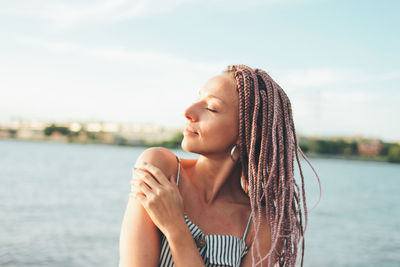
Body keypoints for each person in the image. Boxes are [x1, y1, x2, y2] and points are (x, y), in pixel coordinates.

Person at [119, 65, 321, 267]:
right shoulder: (160, 169)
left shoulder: (262, 226)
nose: (188, 112)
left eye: (211, 108)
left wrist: (176, 229)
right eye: (198, 99)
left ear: (249, 132)